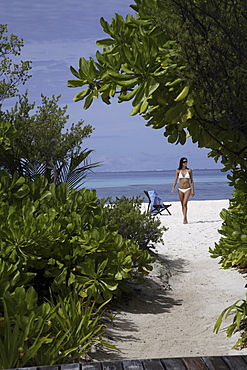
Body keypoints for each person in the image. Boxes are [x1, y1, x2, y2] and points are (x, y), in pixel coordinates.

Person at [171, 157, 195, 224]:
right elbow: (175, 179)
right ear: (181, 163)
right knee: (182, 204)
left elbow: (192, 181)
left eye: (186, 161)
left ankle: (185, 218)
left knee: (185, 203)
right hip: (180, 188)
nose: (185, 163)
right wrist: (173, 187)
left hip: (187, 188)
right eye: (184, 162)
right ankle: (185, 217)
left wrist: (193, 190)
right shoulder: (178, 171)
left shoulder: (189, 170)